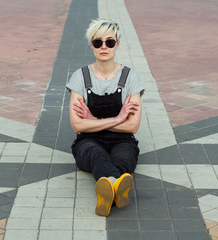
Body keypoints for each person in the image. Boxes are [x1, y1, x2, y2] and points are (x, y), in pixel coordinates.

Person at [66, 18, 144, 216]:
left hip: (123, 141)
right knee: (97, 156)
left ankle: (109, 190)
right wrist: (118, 119)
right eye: (97, 42)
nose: (104, 47)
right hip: (87, 141)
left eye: (109, 42)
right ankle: (116, 189)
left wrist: (92, 121)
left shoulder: (131, 78)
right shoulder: (80, 77)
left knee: (123, 159)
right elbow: (77, 125)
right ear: (91, 45)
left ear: (117, 45)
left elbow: (133, 127)